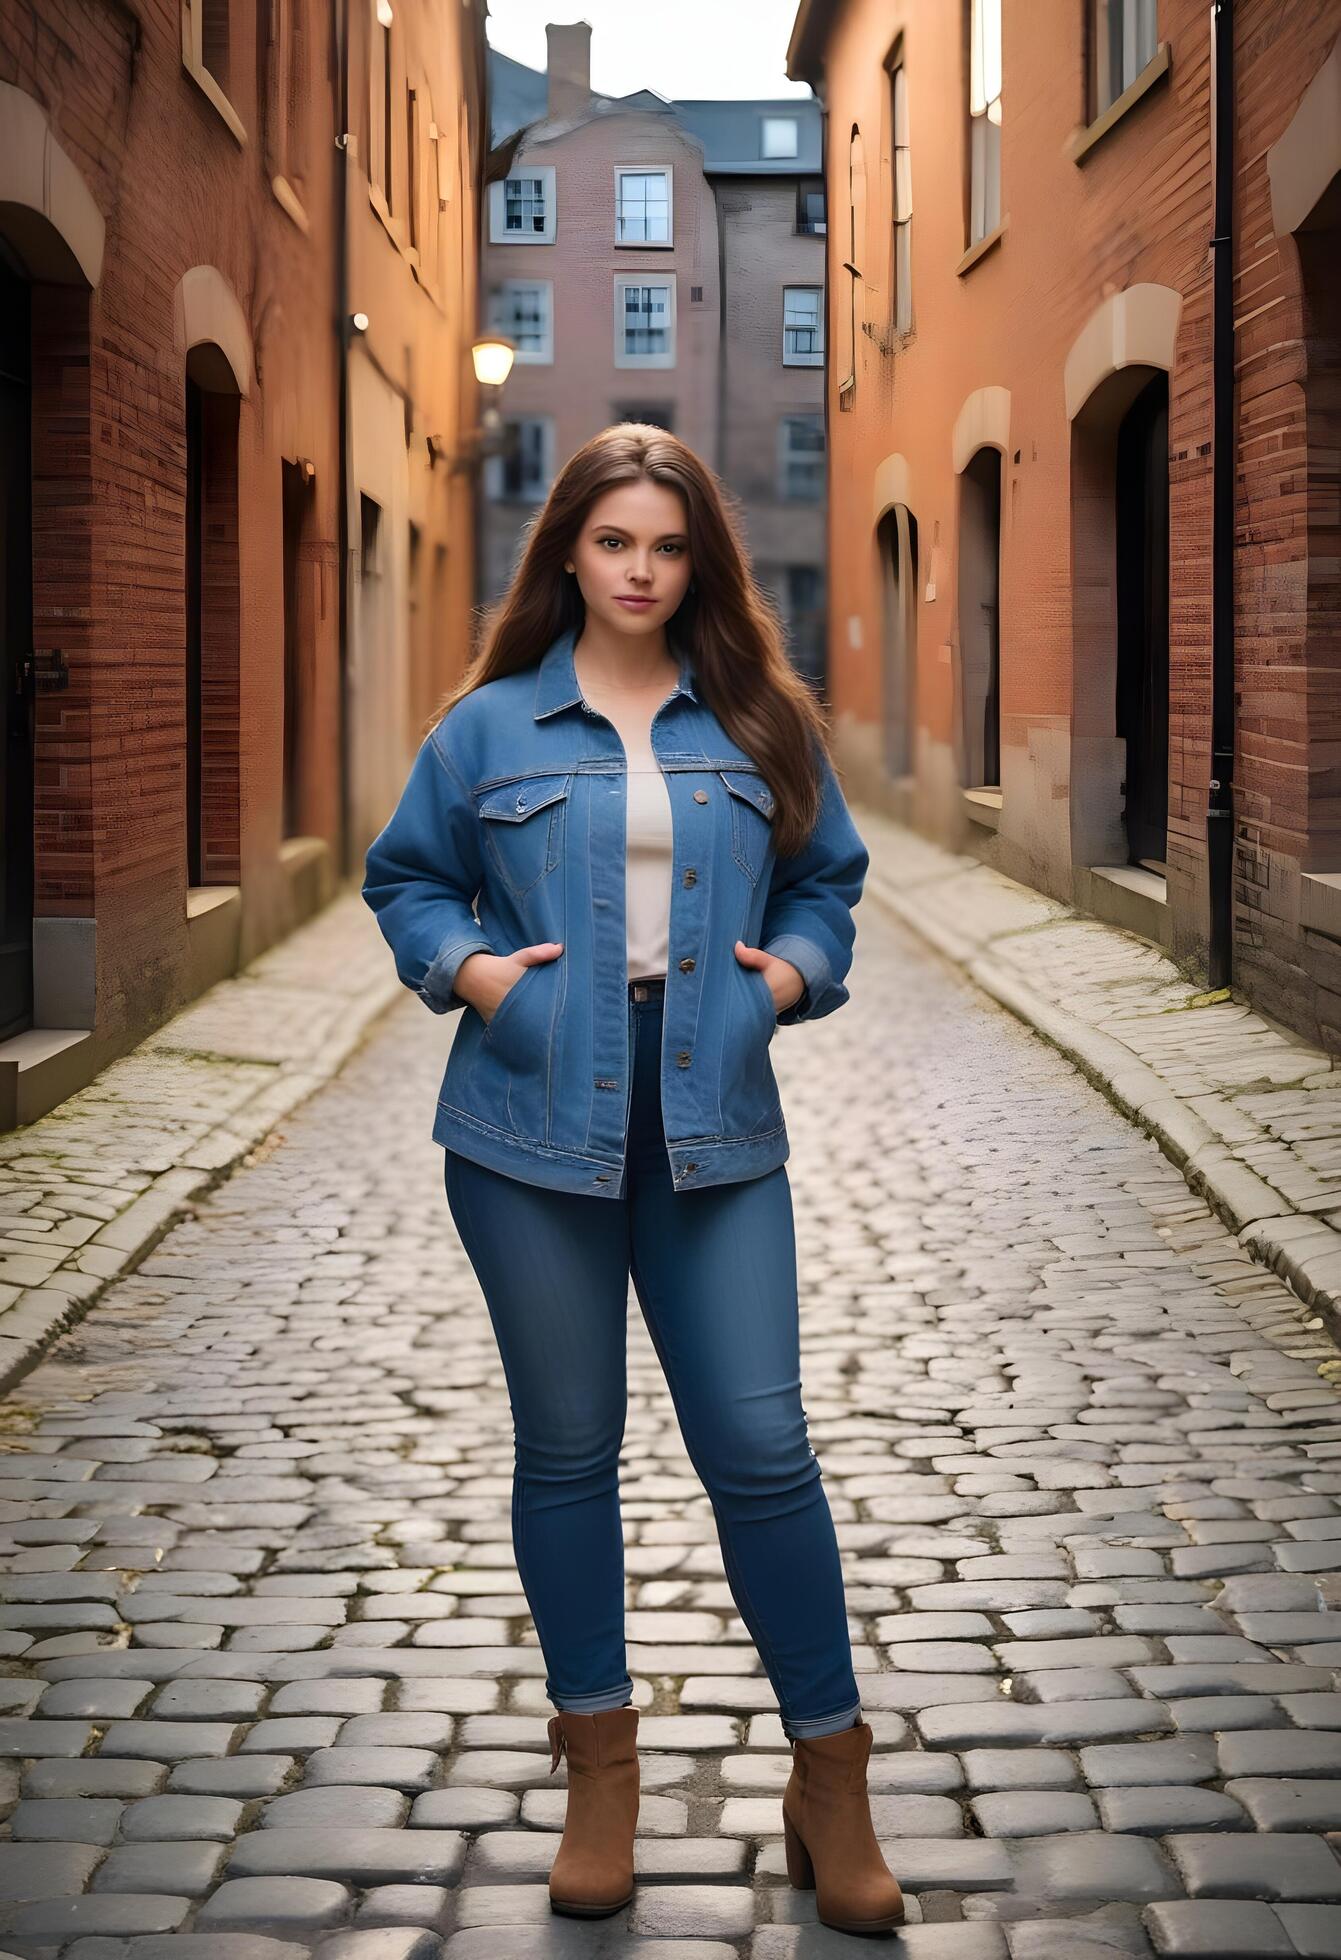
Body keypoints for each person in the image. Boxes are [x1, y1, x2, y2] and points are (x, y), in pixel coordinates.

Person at [361, 424, 903, 1936]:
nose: (642, 571)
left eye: (668, 546)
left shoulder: (756, 719)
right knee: (567, 1449)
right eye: (615, 544)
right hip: (529, 1133)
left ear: (700, 559)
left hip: (716, 1126)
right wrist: (476, 975)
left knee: (762, 1448)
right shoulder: (486, 729)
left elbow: (826, 884)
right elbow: (402, 876)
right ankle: (599, 1766)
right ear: (569, 556)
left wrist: (783, 985)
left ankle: (828, 1773)